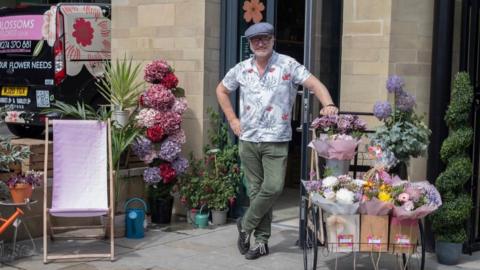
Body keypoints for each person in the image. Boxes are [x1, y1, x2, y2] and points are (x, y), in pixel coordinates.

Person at [216, 22, 338, 260]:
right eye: (255, 40)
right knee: (255, 192)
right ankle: (261, 242)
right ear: (250, 44)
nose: (260, 43)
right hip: (248, 139)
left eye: (265, 38)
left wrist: (329, 104)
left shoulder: (288, 64)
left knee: (272, 188)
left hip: (276, 140)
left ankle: (245, 224)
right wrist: (232, 120)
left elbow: (315, 84)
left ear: (273, 40)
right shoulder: (241, 68)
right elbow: (221, 90)